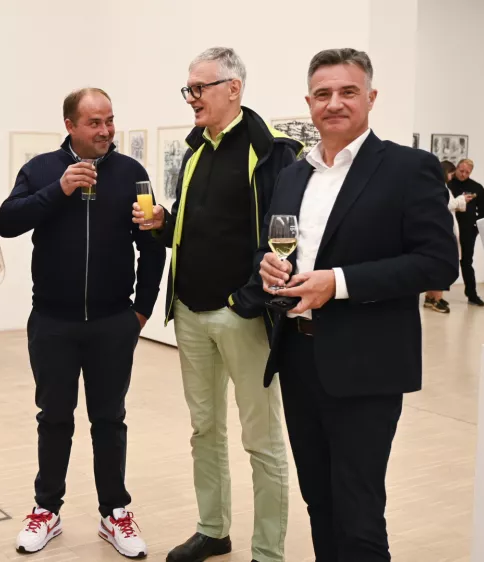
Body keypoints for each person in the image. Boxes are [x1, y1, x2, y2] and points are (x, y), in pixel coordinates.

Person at [255, 48, 457, 560]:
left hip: (367, 364)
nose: (334, 103)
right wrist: (267, 266)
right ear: (308, 103)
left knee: (359, 513)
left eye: (347, 91)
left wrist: (339, 283)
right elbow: (273, 247)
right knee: (318, 501)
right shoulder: (292, 175)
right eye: (322, 94)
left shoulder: (408, 169)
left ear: (371, 97)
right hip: (298, 358)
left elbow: (438, 264)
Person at [133, 47, 299, 562]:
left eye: (199, 88)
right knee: (204, 430)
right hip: (189, 313)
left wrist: (246, 300)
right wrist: (165, 223)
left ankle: (268, 551)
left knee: (262, 440)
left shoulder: (271, 151)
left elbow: (284, 235)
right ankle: (212, 530)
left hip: (241, 316)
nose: (191, 97)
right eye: (188, 88)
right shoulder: (194, 152)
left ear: (234, 88)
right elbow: (195, 225)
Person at [0, 87, 165, 559]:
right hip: (52, 322)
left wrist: (141, 310)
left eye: (109, 120)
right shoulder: (41, 170)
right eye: (94, 123)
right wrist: (60, 189)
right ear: (70, 125)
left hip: (114, 322)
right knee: (54, 418)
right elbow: (6, 222)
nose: (106, 130)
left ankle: (115, 512)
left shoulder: (131, 173)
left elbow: (152, 243)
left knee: (109, 419)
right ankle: (46, 510)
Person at [424, 160, 466, 313]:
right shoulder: (439, 188)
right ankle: (437, 299)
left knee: (436, 265)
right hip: (441, 233)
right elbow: (444, 205)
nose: (452, 176)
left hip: (439, 231)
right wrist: (461, 200)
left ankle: (430, 297)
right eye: (451, 173)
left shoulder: (435, 186)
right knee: (441, 266)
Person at [448, 158, 484, 305]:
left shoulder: (477, 188)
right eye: (461, 170)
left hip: (468, 231)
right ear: (456, 168)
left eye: (467, 172)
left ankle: (472, 294)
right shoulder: (448, 185)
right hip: (449, 229)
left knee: (466, 262)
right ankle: (436, 297)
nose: (463, 174)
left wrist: (476, 229)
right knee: (443, 260)